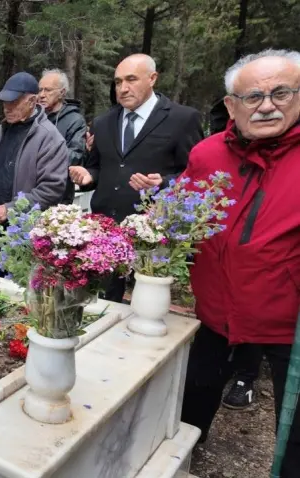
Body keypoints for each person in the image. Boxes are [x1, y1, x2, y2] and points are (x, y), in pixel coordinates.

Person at [180, 49, 300, 477]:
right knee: (196, 393)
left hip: (288, 327)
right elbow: (184, 212)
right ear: (231, 105)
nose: (267, 105)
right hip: (215, 310)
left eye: (281, 93)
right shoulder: (208, 154)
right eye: (253, 97)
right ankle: (185, 458)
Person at [68, 54, 203, 303]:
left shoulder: (182, 119)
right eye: (118, 82)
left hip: (151, 232)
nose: (123, 88)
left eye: (131, 79)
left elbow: (195, 174)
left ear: (152, 79)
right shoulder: (103, 122)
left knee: (146, 305)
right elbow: (99, 168)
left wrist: (162, 183)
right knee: (102, 303)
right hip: (106, 229)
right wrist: (88, 176)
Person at [0, 71, 69, 255]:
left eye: (13, 102)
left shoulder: (50, 138)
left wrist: (10, 209)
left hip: (22, 234)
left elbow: (51, 189)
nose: (7, 108)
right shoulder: (2, 128)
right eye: (5, 102)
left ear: (32, 101)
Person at [38, 68, 88, 204]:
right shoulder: (34, 118)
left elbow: (75, 156)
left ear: (62, 93)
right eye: (40, 90)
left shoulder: (75, 120)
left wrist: (42, 156)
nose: (41, 95)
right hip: (32, 193)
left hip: (59, 196)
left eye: (47, 90)